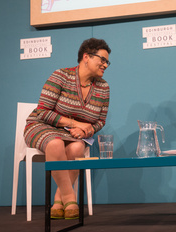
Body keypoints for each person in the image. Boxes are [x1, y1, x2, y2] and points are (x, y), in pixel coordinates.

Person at [24, 38, 111, 219]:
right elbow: (42, 112)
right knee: (55, 144)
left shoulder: (103, 88)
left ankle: (58, 200)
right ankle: (70, 198)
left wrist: (86, 131)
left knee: (78, 147)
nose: (105, 65)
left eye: (107, 61)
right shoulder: (61, 75)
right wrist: (76, 124)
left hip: (72, 135)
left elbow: (100, 121)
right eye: (102, 59)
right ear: (86, 56)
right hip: (42, 126)